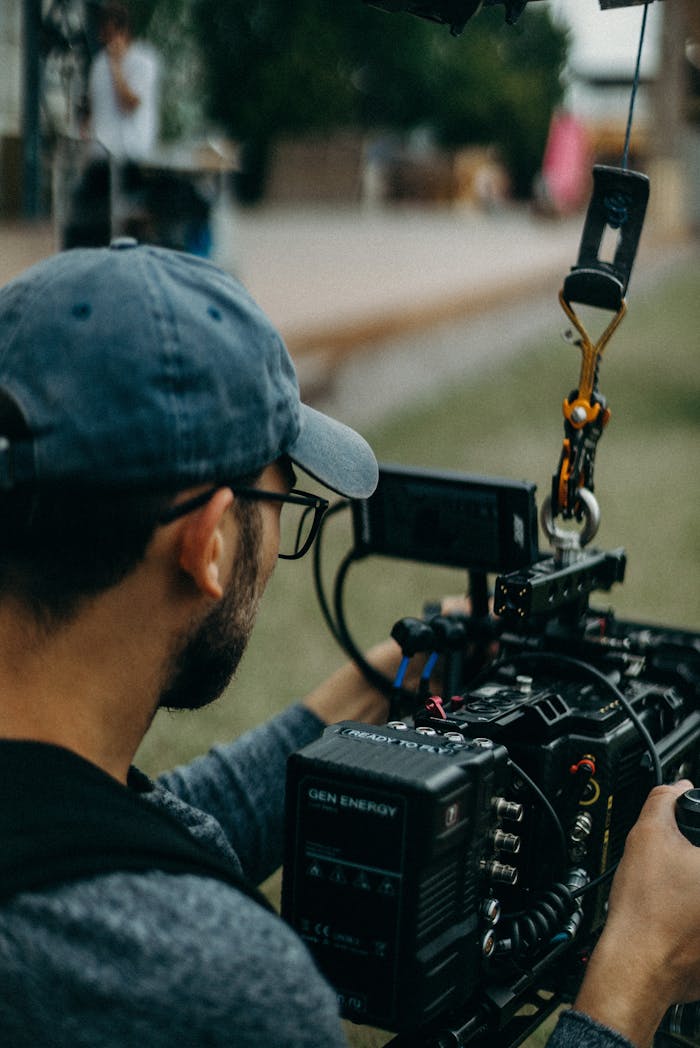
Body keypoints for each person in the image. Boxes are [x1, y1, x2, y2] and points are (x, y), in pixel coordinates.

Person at [0, 242, 697, 1047]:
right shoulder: (224, 991)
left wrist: (384, 680)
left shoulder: (58, 825)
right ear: (209, 543)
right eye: (282, 502)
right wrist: (633, 979)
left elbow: (127, 826)